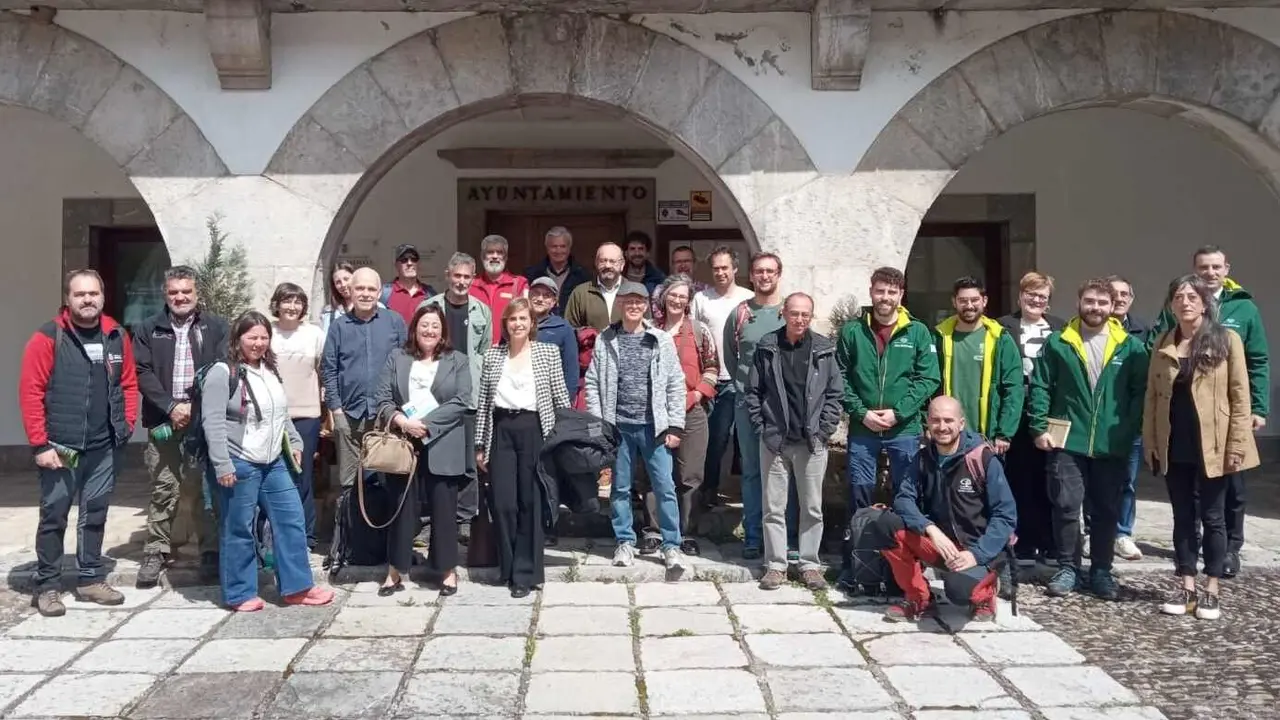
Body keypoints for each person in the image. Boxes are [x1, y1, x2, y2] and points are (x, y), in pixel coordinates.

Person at [20, 269, 138, 616]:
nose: (88, 300)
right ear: (67, 299)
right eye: (80, 294)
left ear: (103, 296)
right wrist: (40, 445)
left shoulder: (116, 335)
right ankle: (48, 585)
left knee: (95, 513)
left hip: (104, 447)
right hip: (61, 447)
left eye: (93, 293)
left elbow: (128, 384)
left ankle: (90, 579)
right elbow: (30, 391)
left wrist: (127, 424)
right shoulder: (48, 337)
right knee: (54, 516)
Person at [202, 311, 334, 612]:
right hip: (240, 462)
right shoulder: (222, 373)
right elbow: (213, 422)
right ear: (238, 338)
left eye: (264, 337)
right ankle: (239, 593)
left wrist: (295, 442)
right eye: (252, 337)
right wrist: (222, 464)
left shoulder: (269, 369)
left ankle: (297, 587)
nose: (258, 343)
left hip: (274, 462)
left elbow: (281, 413)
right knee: (239, 527)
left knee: (291, 520)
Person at [1152, 245, 1269, 579]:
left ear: (1226, 269)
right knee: (1188, 505)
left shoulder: (1243, 308)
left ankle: (1230, 549)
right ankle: (1190, 564)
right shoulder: (1175, 309)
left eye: (1216, 266)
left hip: (1223, 420)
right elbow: (1158, 363)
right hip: (1183, 429)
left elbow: (1255, 362)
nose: (1210, 272)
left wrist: (1258, 407)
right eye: (1203, 267)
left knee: (1232, 492)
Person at [1028, 278, 1147, 601]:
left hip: (1111, 442)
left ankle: (1101, 571)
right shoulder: (1058, 343)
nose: (1095, 308)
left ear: (1113, 306)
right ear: (1079, 302)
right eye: (1090, 301)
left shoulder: (1131, 347)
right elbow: (1041, 386)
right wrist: (1038, 427)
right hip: (1068, 441)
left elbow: (1139, 395)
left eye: (1102, 302)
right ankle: (1068, 568)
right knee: (1066, 507)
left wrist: (1128, 430)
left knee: (1106, 510)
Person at [133, 266, 229, 588]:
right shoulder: (148, 329)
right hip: (163, 420)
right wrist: (171, 407)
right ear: (165, 294)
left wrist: (194, 408)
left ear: (196, 293)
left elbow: (222, 370)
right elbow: (142, 372)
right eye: (174, 292)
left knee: (205, 488)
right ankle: (155, 552)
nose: (180, 297)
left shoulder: (215, 327)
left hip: (202, 422)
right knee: (164, 488)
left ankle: (211, 552)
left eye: (186, 291)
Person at [882, 396, 1017, 622]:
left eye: (948, 420)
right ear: (927, 422)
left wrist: (976, 554)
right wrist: (929, 528)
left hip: (976, 547)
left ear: (961, 424)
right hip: (939, 543)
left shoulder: (983, 459)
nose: (942, 427)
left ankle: (985, 594)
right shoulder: (922, 457)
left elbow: (1006, 515)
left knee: (959, 591)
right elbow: (903, 499)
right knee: (883, 525)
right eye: (935, 420)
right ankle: (919, 598)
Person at [585, 281, 687, 573]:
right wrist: (599, 428)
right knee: (620, 488)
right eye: (628, 301)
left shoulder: (660, 339)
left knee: (665, 487)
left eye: (639, 301)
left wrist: (675, 426)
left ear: (646, 306)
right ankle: (625, 542)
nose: (633, 306)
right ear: (620, 304)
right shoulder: (606, 338)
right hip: (618, 428)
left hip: (654, 427)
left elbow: (675, 383)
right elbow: (592, 382)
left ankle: (672, 545)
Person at [475, 298, 571, 597]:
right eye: (512, 319)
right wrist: (479, 444)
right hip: (501, 430)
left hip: (534, 430)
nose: (517, 324)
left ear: (532, 323)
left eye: (523, 319)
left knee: (530, 502)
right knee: (503, 503)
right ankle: (508, 566)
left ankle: (525, 574)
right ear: (505, 324)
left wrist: (563, 440)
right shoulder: (493, 356)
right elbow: (484, 404)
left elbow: (561, 399)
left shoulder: (547, 353)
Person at [747, 292, 842, 592]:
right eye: (794, 313)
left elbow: (835, 393)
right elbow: (753, 391)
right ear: (784, 313)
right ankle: (775, 566)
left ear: (811, 317)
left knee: (812, 507)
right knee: (773, 508)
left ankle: (809, 565)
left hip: (812, 442)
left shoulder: (824, 349)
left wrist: (825, 430)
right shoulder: (767, 347)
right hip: (775, 441)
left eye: (805, 314)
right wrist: (762, 427)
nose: (800, 319)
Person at [376, 304, 473, 597]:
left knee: (444, 511)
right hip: (404, 443)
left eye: (435, 326)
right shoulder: (397, 358)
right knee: (402, 509)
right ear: (414, 328)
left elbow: (462, 399)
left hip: (443, 441)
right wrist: (403, 421)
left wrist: (426, 424)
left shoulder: (457, 360)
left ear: (442, 331)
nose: (429, 331)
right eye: (424, 325)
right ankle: (395, 571)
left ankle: (447, 571)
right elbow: (383, 398)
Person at [835, 266, 940, 511]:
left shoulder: (917, 332)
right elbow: (839, 377)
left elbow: (928, 378)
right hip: (863, 427)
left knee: (907, 490)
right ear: (871, 292)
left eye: (892, 292)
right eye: (880, 291)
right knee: (860, 489)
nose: (885, 297)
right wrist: (861, 413)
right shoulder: (852, 331)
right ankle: (860, 534)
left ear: (901, 294)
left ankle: (906, 534)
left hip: (904, 429)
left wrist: (898, 413)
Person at [997, 271, 1066, 566]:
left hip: (1051, 411)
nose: (1036, 300)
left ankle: (1051, 541)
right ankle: (1024, 541)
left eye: (1042, 296)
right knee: (1020, 477)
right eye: (1031, 294)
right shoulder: (1003, 326)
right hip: (1017, 410)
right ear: (1020, 296)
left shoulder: (1061, 328)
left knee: (1052, 478)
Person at [723, 252, 787, 560]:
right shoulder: (740, 313)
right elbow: (731, 356)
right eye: (759, 271)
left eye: (770, 271)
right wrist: (744, 386)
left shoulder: (789, 312)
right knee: (751, 472)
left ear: (778, 275)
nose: (764, 276)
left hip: (783, 407)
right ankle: (753, 536)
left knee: (782, 472)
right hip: (747, 404)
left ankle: (783, 539)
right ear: (751, 275)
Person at [648, 274, 717, 557]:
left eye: (682, 297)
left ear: (688, 301)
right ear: (664, 297)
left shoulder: (700, 331)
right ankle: (654, 531)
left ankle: (686, 532)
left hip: (692, 410)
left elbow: (712, 368)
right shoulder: (649, 330)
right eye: (673, 295)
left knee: (690, 475)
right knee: (655, 472)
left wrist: (698, 394)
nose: (677, 300)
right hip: (655, 412)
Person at [323, 267, 408, 490]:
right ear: (350, 291)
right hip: (350, 415)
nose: (365, 293)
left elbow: (407, 365)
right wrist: (337, 411)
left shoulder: (394, 322)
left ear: (379, 293)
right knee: (350, 483)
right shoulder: (338, 327)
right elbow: (329, 370)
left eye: (371, 289)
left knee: (390, 478)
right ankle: (351, 515)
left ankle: (385, 514)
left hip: (387, 415)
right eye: (360, 288)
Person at [691, 245, 753, 506]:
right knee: (712, 439)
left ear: (735, 269)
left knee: (740, 440)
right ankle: (707, 491)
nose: (720, 273)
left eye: (725, 267)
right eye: (716, 268)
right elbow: (692, 335)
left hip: (739, 379)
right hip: (710, 379)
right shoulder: (701, 299)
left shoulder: (748, 298)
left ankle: (745, 494)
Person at [934, 276, 1023, 454]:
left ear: (984, 301)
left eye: (974, 300)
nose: (969, 306)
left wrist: (1004, 433)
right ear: (954, 302)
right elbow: (928, 384)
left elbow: (1013, 389)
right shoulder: (939, 338)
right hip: (946, 436)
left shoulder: (1000, 339)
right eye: (963, 300)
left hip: (988, 437)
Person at [269, 283, 325, 549]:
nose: (292, 307)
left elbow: (323, 371)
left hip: (306, 415)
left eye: (297, 302)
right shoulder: (267, 332)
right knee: (273, 474)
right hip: (272, 416)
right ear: (277, 304)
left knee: (302, 474)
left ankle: (305, 534)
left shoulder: (314, 334)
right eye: (287, 301)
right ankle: (274, 533)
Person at [1106, 274, 1149, 563]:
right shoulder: (1087, 329)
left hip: (1130, 420)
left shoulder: (1143, 331)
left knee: (1127, 481)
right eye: (1113, 294)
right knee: (1094, 482)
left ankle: (1122, 533)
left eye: (1124, 294)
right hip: (1098, 420)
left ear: (1131, 299)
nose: (1119, 299)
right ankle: (1093, 532)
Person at [471, 234, 529, 343]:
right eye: (490, 252)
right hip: (476, 348)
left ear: (505, 257)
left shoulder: (519, 284)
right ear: (482, 256)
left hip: (508, 348)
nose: (495, 256)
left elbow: (525, 319)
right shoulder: (471, 285)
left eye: (499, 252)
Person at [529, 276, 579, 401]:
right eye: (536, 293)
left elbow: (571, 370)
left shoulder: (563, 328)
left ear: (554, 302)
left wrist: (566, 402)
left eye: (546, 296)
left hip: (549, 399)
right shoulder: (517, 322)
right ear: (528, 296)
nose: (540, 299)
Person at [523, 226, 590, 314]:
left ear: (569, 248)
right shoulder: (532, 274)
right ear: (547, 248)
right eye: (554, 246)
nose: (558, 251)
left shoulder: (582, 275)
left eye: (563, 246)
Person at [564, 243, 626, 331]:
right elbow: (569, 329)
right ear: (596, 263)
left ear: (622, 264)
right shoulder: (580, 293)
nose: (607, 265)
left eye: (612, 261)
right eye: (603, 261)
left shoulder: (634, 292)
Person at [650, 245, 707, 326]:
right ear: (672, 265)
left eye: (687, 261)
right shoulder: (660, 290)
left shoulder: (705, 291)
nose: (683, 265)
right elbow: (658, 318)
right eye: (678, 262)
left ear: (695, 264)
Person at [381, 244, 435, 327]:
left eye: (414, 259)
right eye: (404, 260)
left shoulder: (429, 293)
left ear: (418, 263)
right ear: (396, 265)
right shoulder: (384, 293)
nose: (409, 263)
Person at [320, 261, 356, 337]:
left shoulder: (374, 307)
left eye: (346, 279)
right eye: (338, 282)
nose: (343, 285)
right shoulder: (329, 313)